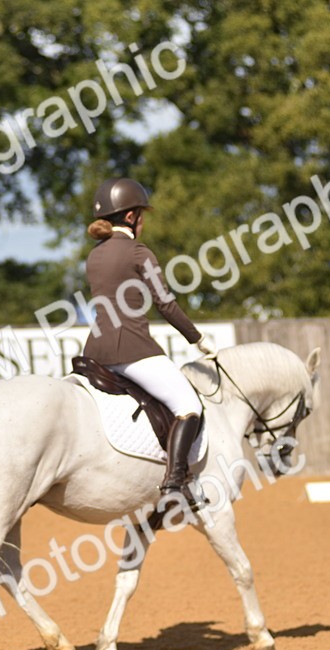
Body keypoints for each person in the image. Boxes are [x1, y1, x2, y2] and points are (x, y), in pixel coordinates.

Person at [81, 177, 218, 506]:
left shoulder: (94, 256)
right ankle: (175, 482)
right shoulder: (138, 251)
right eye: (142, 215)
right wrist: (198, 339)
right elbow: (165, 304)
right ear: (131, 217)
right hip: (132, 349)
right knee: (189, 405)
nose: (143, 221)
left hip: (95, 351)